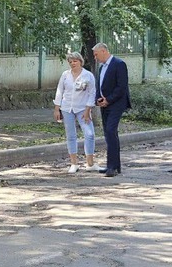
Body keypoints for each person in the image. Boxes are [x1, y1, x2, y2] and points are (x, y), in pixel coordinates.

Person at [53, 52, 101, 173]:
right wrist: (57, 108)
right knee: (71, 135)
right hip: (67, 108)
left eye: (75, 61)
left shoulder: (88, 75)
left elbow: (92, 93)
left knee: (89, 134)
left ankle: (90, 163)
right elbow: (60, 91)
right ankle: (74, 163)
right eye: (70, 62)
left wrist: (88, 109)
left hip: (82, 109)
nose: (72, 63)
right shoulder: (65, 75)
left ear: (80, 61)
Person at [92, 42, 131, 177]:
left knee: (110, 130)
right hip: (105, 104)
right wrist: (98, 98)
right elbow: (99, 85)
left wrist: (108, 99)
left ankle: (111, 167)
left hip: (116, 104)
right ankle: (115, 165)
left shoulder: (119, 64)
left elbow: (122, 87)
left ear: (103, 51)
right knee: (110, 133)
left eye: (96, 55)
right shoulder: (102, 67)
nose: (95, 58)